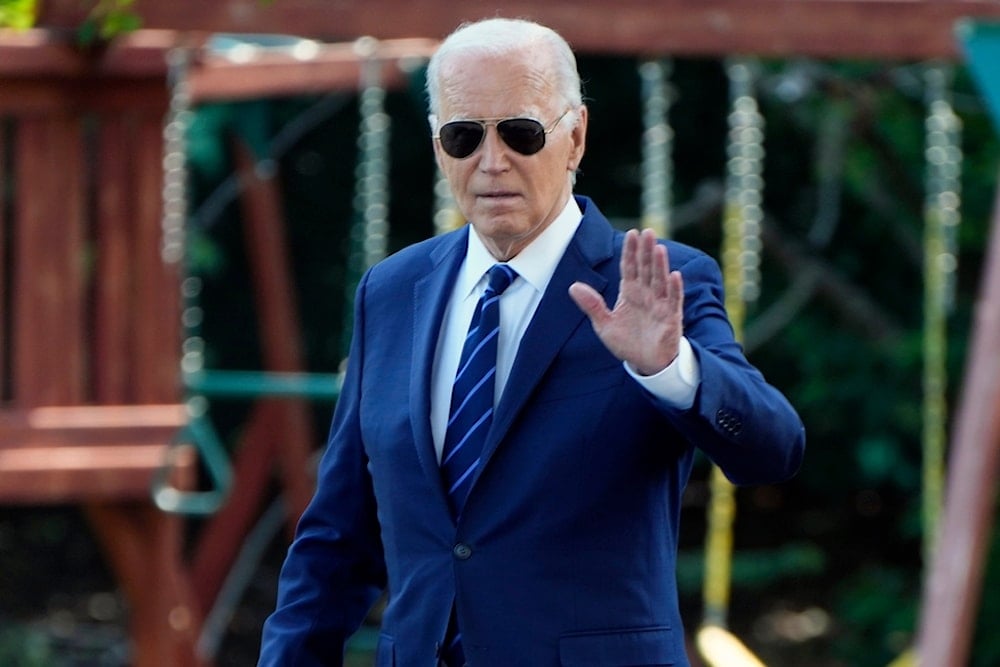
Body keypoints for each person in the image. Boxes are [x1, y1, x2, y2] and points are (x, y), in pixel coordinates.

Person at [258, 16, 805, 667]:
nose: (492, 161)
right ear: (438, 147)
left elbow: (774, 448)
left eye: (520, 132)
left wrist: (668, 367)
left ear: (574, 136)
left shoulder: (658, 283)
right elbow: (338, 538)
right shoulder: (391, 291)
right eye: (464, 136)